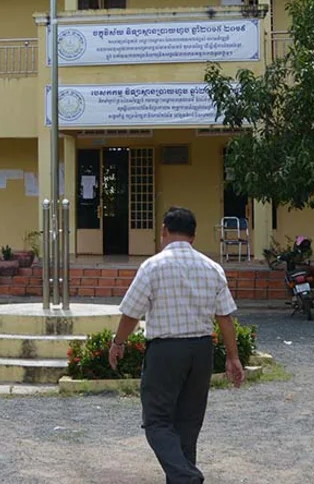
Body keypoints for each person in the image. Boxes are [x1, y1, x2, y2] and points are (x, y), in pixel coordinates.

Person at [110, 207, 245, 484]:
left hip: (166, 350)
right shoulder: (212, 268)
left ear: (163, 231)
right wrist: (233, 357)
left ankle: (186, 476)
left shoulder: (153, 266)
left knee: (157, 421)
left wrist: (118, 343)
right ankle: (184, 477)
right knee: (188, 421)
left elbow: (131, 313)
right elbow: (225, 317)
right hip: (201, 350)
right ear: (193, 237)